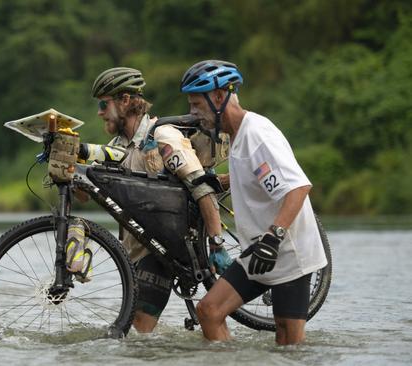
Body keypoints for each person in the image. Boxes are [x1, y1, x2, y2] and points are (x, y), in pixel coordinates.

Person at [179, 60, 328, 344]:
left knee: (288, 342)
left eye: (197, 105)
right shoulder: (237, 135)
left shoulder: (257, 136)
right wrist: (221, 181)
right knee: (209, 311)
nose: (194, 114)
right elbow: (258, 175)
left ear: (219, 97)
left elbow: (297, 187)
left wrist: (273, 238)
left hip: (286, 252)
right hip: (260, 251)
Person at [89, 67, 230, 332]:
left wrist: (217, 243)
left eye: (103, 104)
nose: (99, 112)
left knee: (138, 331)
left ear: (125, 101)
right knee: (136, 336)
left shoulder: (162, 135)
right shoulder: (117, 148)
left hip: (162, 250)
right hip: (137, 252)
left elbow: (200, 186)